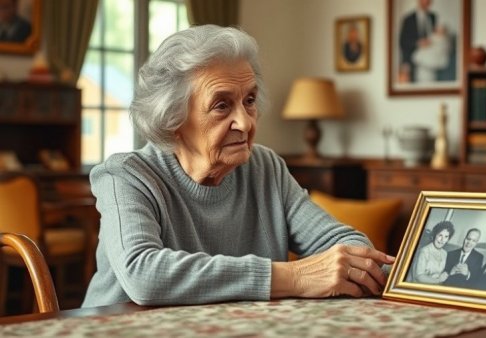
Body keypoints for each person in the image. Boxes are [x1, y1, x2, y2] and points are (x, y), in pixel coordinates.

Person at [82, 25, 395, 308]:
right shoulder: (127, 175)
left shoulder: (265, 168)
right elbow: (144, 274)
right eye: (221, 105)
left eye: (249, 100)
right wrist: (294, 276)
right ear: (172, 119)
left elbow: (346, 246)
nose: (245, 123)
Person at [398, 0, 436, 83]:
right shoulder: (408, 19)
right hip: (412, 61)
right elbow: (402, 42)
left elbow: (435, 38)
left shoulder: (433, 17)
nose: (426, 2)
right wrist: (418, 43)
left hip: (429, 61)